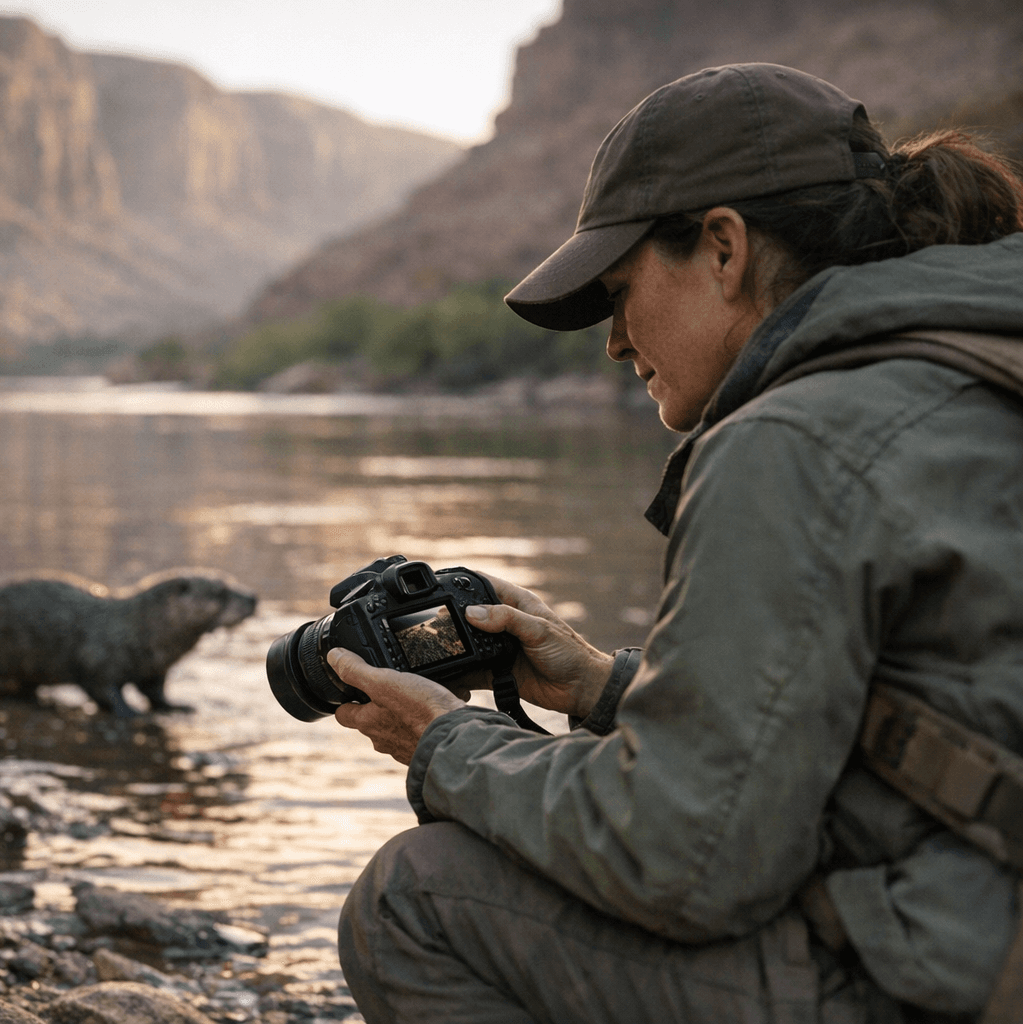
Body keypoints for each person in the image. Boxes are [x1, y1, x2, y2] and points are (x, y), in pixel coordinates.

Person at [325, 63, 1023, 1023]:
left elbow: (686, 861)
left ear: (725, 248)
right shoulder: (976, 360)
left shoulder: (795, 437)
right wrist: (601, 689)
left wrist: (444, 743)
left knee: (416, 897)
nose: (614, 340)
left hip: (966, 976)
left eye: (620, 290)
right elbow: (920, 721)